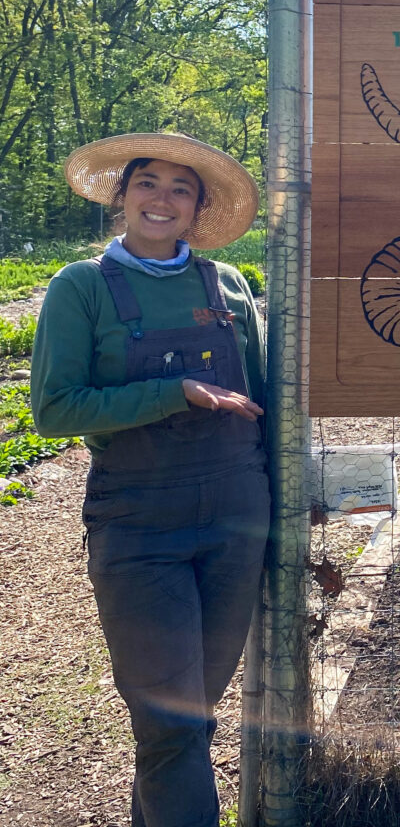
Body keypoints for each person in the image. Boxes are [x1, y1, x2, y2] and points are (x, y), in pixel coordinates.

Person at [31, 133, 268, 827]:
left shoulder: (229, 285)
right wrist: (175, 391)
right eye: (147, 183)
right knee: (168, 724)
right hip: (139, 523)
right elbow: (53, 410)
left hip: (237, 514)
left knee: (191, 717)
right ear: (122, 196)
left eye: (179, 188)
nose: (161, 198)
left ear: (197, 209)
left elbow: (266, 401)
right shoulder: (82, 286)